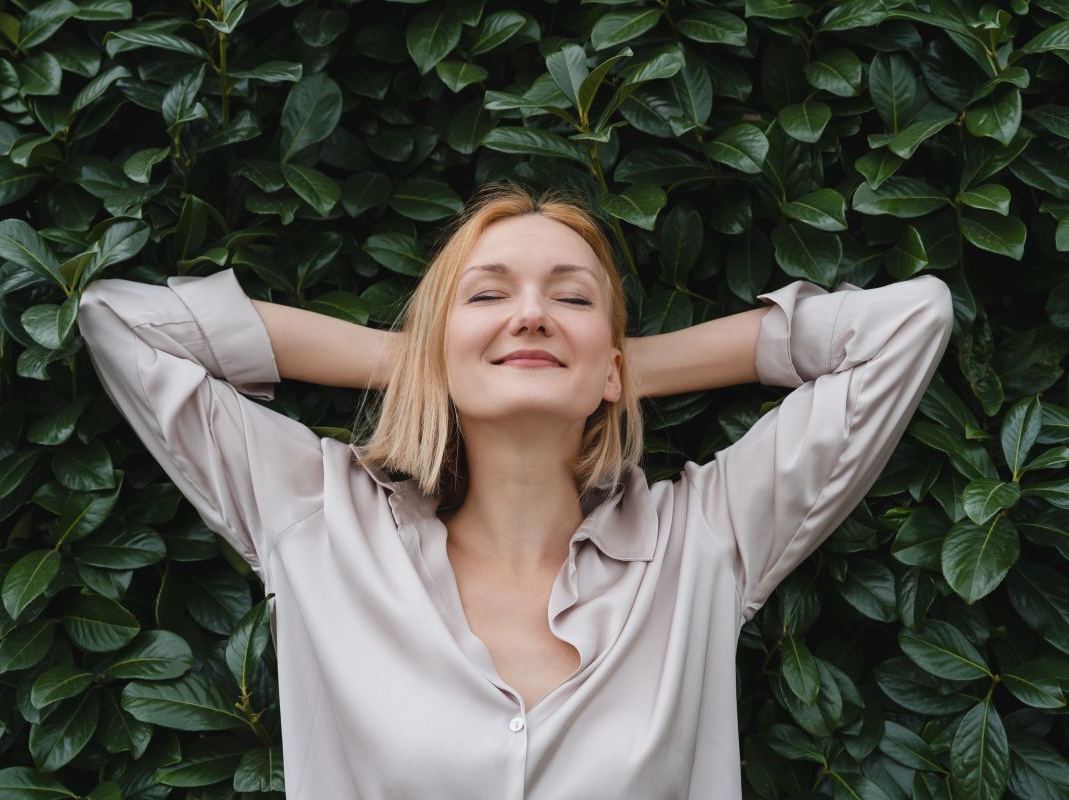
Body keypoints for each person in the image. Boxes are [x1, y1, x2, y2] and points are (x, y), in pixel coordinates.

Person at [76, 181, 954, 799]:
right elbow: (118, 320)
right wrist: (429, 364)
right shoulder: (318, 519)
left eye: (570, 299)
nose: (530, 313)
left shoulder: (705, 542)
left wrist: (617, 366)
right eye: (487, 296)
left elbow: (909, 322)